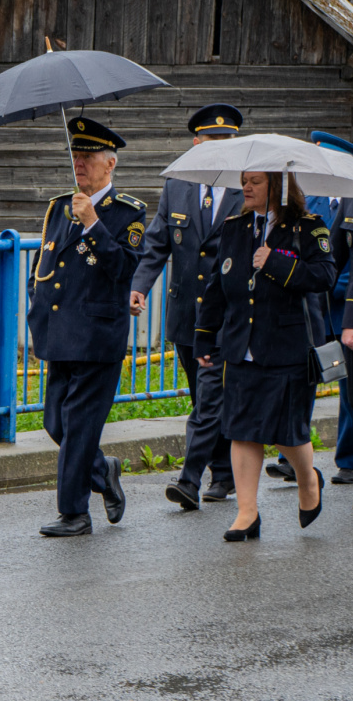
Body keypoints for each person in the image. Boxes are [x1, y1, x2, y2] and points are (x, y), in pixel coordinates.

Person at [194, 171, 331, 541]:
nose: (246, 188)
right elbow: (217, 283)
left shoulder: (307, 227)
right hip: (241, 345)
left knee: (287, 430)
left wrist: (275, 262)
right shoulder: (235, 227)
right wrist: (205, 336)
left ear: (279, 185)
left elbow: (324, 275)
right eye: (244, 180)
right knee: (242, 428)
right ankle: (247, 513)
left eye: (255, 181)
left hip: (287, 345)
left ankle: (308, 480)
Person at [28, 117, 144, 537]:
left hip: (97, 336)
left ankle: (74, 513)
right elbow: (47, 263)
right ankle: (104, 469)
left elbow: (123, 268)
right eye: (76, 155)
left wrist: (93, 222)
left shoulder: (127, 213)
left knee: (77, 425)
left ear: (110, 164)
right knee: (55, 423)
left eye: (89, 157)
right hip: (58, 332)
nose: (80, 163)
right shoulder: (60, 206)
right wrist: (35, 302)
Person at [130, 104, 243, 510]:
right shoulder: (177, 184)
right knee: (203, 397)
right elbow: (157, 242)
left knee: (211, 397)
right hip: (185, 315)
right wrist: (140, 287)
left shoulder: (245, 188)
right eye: (212, 140)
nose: (220, 147)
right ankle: (225, 472)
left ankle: (190, 480)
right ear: (197, 143)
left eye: (227, 140)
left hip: (227, 315)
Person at [264, 131, 353, 487]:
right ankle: (291, 453)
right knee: (310, 378)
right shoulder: (311, 200)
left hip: (349, 309)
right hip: (318, 309)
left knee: (351, 388)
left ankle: (349, 458)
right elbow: (325, 256)